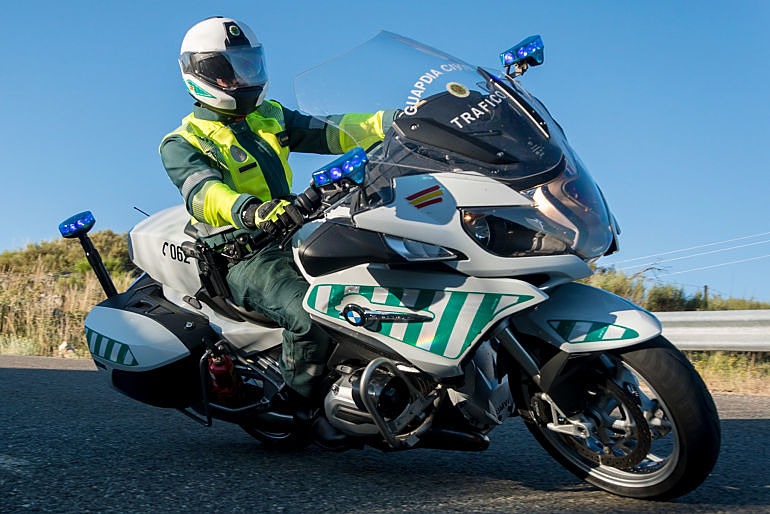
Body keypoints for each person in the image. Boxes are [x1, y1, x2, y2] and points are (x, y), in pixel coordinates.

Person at [160, 17, 395, 411]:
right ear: (200, 75)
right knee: (309, 312)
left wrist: (398, 122)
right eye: (228, 71)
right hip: (243, 251)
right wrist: (251, 211)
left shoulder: (269, 115)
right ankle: (296, 406)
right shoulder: (183, 142)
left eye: (248, 66)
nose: (240, 79)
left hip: (296, 228)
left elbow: (336, 130)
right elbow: (203, 194)